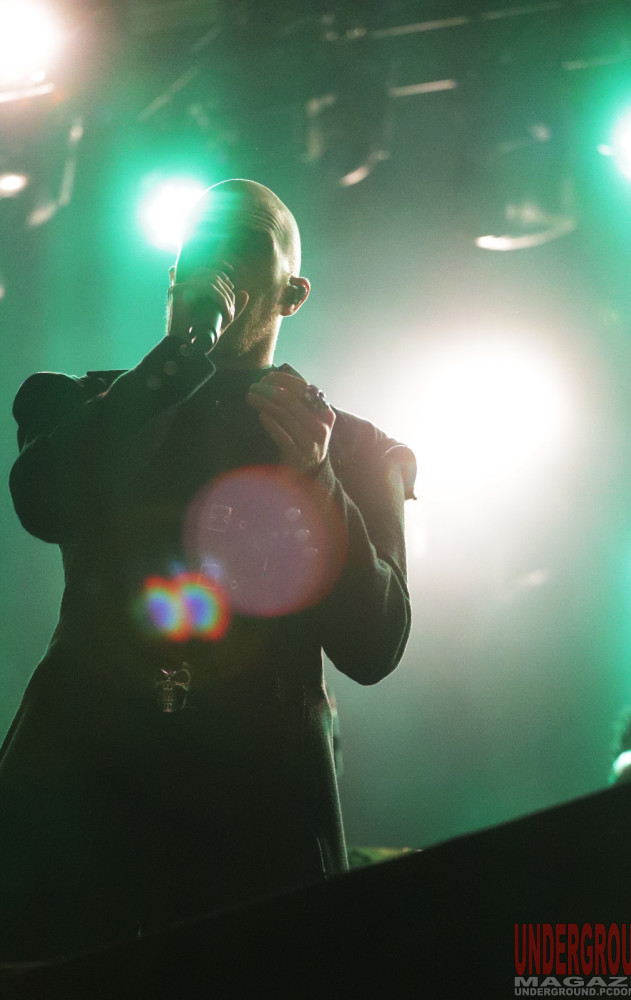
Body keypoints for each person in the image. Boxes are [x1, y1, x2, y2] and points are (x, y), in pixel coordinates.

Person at [1, 179, 416, 958]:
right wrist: (178, 361)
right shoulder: (79, 405)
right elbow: (45, 503)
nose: (216, 258)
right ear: (172, 275)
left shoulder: (354, 447)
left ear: (291, 293)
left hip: (258, 830)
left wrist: (316, 481)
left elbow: (376, 643)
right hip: (77, 814)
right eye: (200, 242)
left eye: (247, 244)